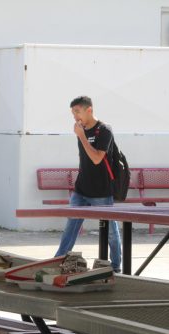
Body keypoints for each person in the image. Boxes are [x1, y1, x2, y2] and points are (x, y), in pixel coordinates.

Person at [55, 96, 122, 272]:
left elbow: (97, 158)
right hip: (81, 189)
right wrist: (82, 136)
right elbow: (83, 158)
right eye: (72, 113)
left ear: (89, 110)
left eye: (77, 112)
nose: (75, 117)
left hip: (101, 190)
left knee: (111, 231)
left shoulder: (104, 130)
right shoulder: (81, 130)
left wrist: (83, 137)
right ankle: (58, 260)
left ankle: (116, 265)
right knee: (71, 227)